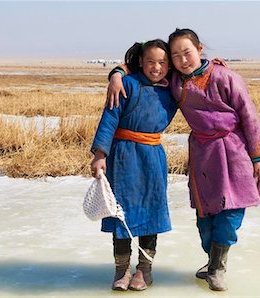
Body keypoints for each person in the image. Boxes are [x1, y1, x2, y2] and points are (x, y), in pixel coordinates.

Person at [107, 28, 260, 291]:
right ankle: (211, 259)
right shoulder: (176, 82)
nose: (183, 60)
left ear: (200, 49)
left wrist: (257, 155)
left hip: (234, 150)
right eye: (176, 56)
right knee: (205, 217)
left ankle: (217, 268)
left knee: (231, 212)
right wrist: (117, 73)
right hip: (204, 154)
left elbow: (249, 114)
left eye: (187, 53)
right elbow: (146, 63)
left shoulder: (226, 77)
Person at [90, 39, 177, 291]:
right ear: (140, 61)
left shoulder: (171, 90)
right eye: (151, 61)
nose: (156, 67)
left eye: (162, 63)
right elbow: (109, 118)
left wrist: (213, 65)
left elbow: (194, 74)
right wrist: (100, 155)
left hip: (152, 158)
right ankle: (121, 270)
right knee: (121, 213)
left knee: (151, 214)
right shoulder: (127, 84)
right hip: (123, 158)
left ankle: (144, 270)